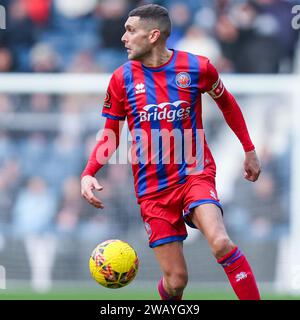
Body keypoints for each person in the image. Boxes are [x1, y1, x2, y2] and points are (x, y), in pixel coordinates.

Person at [81, 4, 261, 300]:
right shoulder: (121, 79)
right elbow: (110, 134)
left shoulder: (198, 68)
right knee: (176, 281)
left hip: (194, 173)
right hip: (152, 189)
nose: (124, 38)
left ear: (153, 36)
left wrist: (249, 149)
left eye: (130, 30)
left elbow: (227, 103)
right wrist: (89, 173)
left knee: (221, 242)